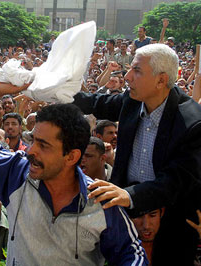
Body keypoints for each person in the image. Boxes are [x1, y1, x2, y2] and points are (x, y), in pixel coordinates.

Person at [0, 82, 147, 265]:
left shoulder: (101, 202)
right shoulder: (16, 174)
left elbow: (131, 253)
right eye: (33, 140)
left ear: (72, 156)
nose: (31, 151)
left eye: (43, 145)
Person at [73, 43, 201, 265]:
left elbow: (175, 181)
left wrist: (131, 196)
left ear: (161, 80)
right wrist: (56, 90)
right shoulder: (131, 101)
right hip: (126, 219)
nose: (128, 77)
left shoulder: (192, 122)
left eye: (137, 71)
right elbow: (96, 103)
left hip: (171, 225)